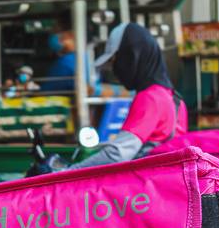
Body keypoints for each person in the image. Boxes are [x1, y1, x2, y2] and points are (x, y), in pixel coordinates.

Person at [72, 22, 183, 169]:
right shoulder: (175, 99)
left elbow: (117, 155)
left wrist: (67, 173)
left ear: (131, 57)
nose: (114, 70)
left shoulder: (150, 98)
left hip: (144, 188)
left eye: (115, 60)